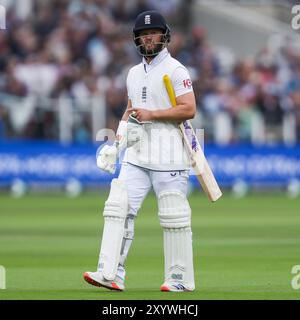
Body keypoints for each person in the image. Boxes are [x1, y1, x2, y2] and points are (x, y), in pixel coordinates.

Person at [83, 10, 197, 292]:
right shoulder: (133, 73)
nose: (148, 38)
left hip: (169, 153)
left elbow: (189, 109)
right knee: (118, 208)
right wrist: (116, 144)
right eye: (143, 35)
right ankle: (111, 273)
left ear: (164, 35)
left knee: (174, 215)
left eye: (153, 33)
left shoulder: (176, 70)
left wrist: (153, 114)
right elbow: (130, 111)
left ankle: (179, 278)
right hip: (136, 154)